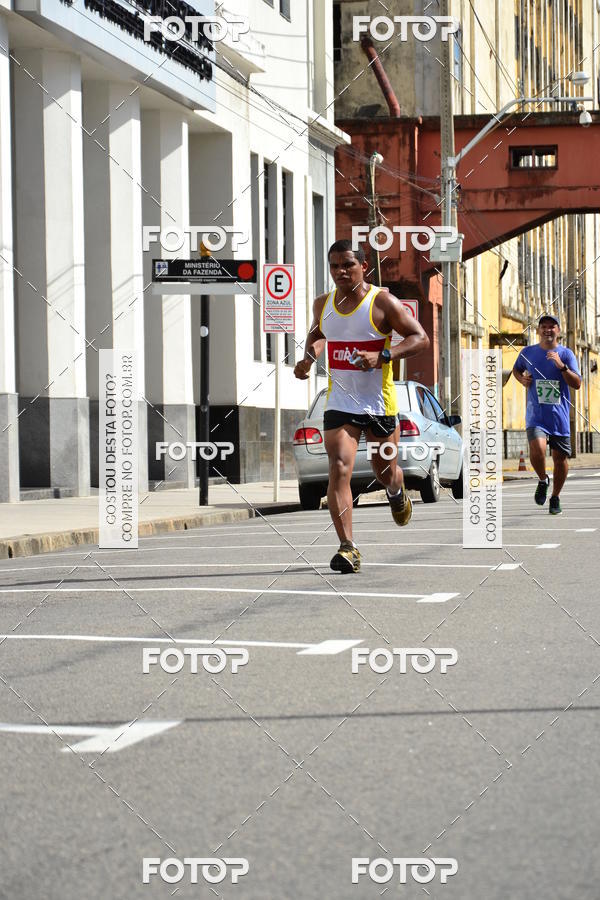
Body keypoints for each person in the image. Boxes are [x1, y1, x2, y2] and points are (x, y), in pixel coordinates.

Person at [293, 239, 430, 573]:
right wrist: (307, 360)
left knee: (385, 471)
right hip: (340, 402)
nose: (341, 271)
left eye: (348, 265)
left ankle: (397, 492)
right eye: (335, 266)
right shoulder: (322, 304)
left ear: (363, 267)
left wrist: (383, 355)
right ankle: (348, 548)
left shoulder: (383, 302)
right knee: (339, 468)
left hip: (379, 405)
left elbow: (420, 338)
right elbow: (317, 334)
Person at [512, 312, 581, 514]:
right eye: (544, 326)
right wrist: (521, 379)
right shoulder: (528, 352)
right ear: (538, 330)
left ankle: (556, 496)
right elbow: (517, 370)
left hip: (559, 416)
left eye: (552, 326)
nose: (547, 330)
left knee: (560, 460)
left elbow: (577, 383)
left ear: (558, 331)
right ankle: (543, 480)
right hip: (536, 414)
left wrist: (561, 366)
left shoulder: (566, 354)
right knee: (538, 450)